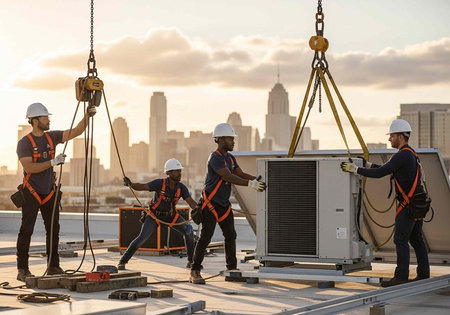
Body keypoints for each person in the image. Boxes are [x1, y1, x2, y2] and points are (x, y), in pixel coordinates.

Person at [341, 119, 430, 287]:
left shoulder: (402, 155)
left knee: (400, 240)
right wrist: (367, 165)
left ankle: (401, 277)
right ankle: (424, 274)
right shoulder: (410, 153)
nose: (390, 139)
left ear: (401, 137)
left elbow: (381, 173)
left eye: (392, 136)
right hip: (417, 204)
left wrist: (357, 170)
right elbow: (386, 169)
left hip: (408, 206)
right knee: (416, 239)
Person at [16, 102, 96, 281]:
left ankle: (53, 266)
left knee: (53, 230)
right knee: (26, 230)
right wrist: (52, 163)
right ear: (35, 121)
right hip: (32, 192)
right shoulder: (24, 143)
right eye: (45, 118)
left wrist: (87, 116)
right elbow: (29, 167)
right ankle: (22, 269)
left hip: (49, 192)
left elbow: (75, 132)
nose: (48, 120)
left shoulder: (51, 137)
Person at [189, 123, 266, 284]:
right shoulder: (215, 158)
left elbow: (241, 174)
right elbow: (228, 177)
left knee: (231, 235)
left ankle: (232, 269)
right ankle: (195, 271)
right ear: (221, 139)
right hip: (211, 204)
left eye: (233, 138)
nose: (233, 141)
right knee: (205, 238)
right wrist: (250, 185)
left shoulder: (230, 158)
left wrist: (257, 179)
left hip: (223, 205)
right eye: (230, 138)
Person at [118, 158, 196, 270]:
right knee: (142, 238)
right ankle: (122, 261)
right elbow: (143, 186)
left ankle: (191, 261)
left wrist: (198, 210)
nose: (179, 173)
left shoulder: (181, 188)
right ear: (169, 172)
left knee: (188, 231)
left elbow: (191, 202)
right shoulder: (160, 183)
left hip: (171, 216)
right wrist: (131, 184)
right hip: (154, 216)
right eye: (176, 171)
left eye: (180, 171)